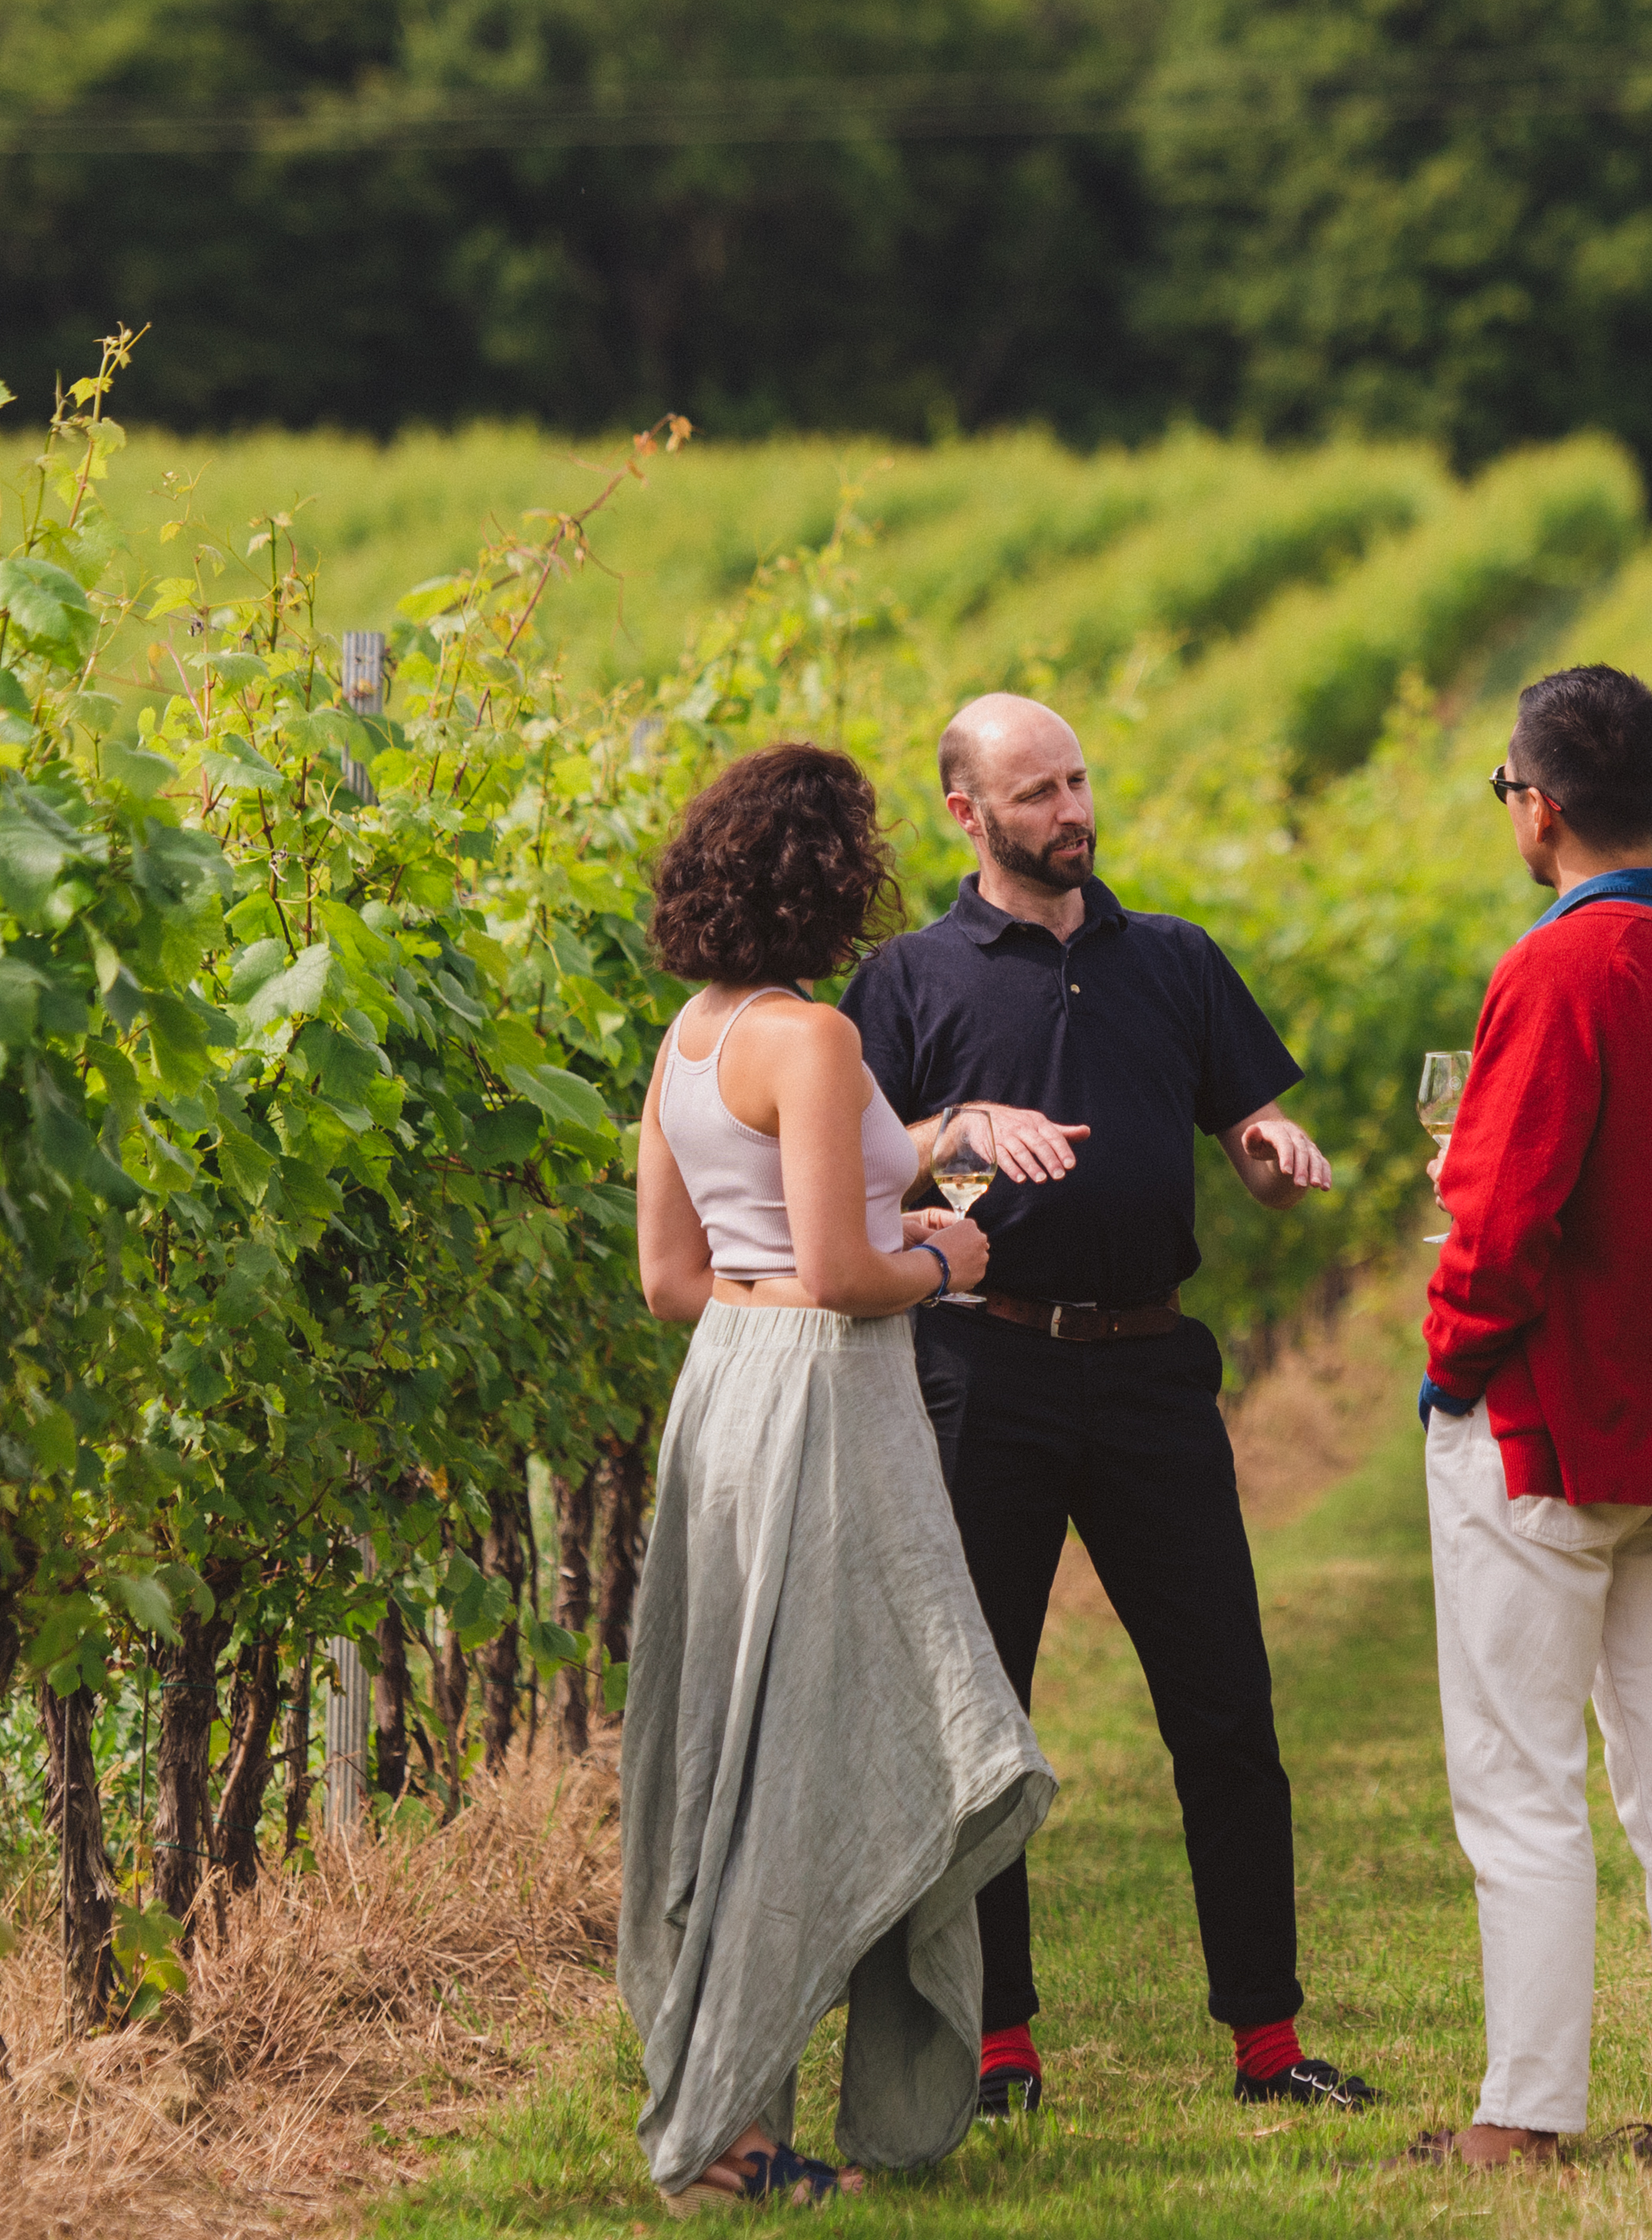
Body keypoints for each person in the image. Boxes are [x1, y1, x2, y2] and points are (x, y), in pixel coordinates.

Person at [838, 692, 1382, 2121]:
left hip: (1151, 1373)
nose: (1072, 811)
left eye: (1078, 783)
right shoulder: (907, 981)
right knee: (985, 1721)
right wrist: (953, 1134)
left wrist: (1268, 1143)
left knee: (1226, 1713)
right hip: (983, 1371)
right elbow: (847, 1171)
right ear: (967, 815)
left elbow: (1246, 1128)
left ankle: (1270, 2043)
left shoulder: (1177, 962)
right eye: (1037, 794)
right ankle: (998, 2048)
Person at [618, 741, 1055, 2213]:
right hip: (828, 1407)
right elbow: (847, 1270)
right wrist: (946, 1253)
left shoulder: (688, 1038)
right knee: (828, 1749)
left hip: (725, 1405)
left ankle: (744, 2101)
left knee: (747, 1748)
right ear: (828, 877)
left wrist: (806, 1281)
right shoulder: (811, 1042)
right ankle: (736, 2137)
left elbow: (676, 1283)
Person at [1399, 663, 1652, 2176]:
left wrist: (1451, 1365)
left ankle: (1525, 2112)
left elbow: (1501, 1219)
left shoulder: (1554, 975)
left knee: (1519, 1776)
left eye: (1506, 791)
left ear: (1538, 807)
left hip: (1548, 1430)